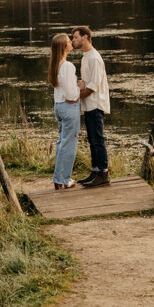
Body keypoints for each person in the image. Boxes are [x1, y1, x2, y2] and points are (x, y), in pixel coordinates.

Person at [71, 25, 110, 186]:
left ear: (85, 37)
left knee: (98, 139)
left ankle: (103, 173)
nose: (73, 41)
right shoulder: (85, 56)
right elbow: (87, 82)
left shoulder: (94, 57)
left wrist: (75, 98)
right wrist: (80, 85)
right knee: (92, 139)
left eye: (75, 37)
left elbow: (93, 86)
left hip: (95, 104)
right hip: (88, 105)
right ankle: (94, 172)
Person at [48, 32, 80, 190]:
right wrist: (79, 90)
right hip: (68, 108)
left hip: (58, 106)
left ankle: (59, 178)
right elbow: (71, 94)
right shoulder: (67, 66)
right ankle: (63, 179)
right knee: (69, 143)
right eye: (68, 41)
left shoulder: (55, 65)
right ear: (64, 47)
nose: (71, 42)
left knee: (62, 142)